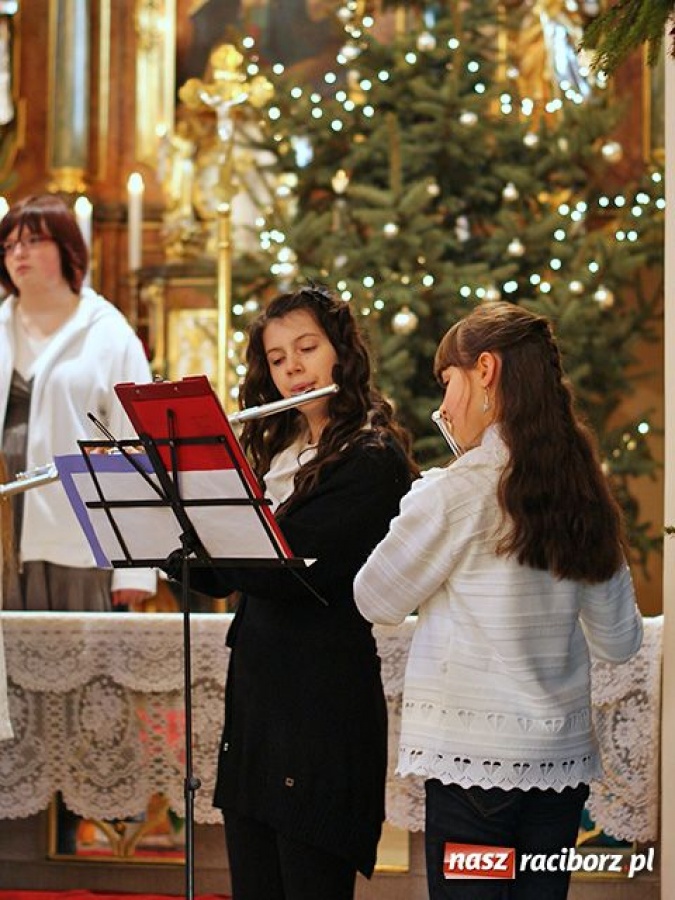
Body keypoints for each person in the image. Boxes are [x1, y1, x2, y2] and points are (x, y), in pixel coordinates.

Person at [354, 301, 643, 900]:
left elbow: (374, 597)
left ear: (484, 370)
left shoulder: (458, 492)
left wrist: (428, 497)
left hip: (473, 778)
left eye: (447, 381)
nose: (444, 403)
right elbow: (620, 641)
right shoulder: (582, 492)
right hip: (558, 774)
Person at [169, 285, 418, 900]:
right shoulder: (276, 454)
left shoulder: (370, 458)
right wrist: (168, 529)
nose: (294, 369)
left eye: (307, 348)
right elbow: (227, 574)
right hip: (257, 703)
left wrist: (210, 528)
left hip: (322, 710)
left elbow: (285, 569)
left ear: (343, 353)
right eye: (278, 359)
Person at [0, 193, 156, 611]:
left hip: (79, 542)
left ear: (67, 248)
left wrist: (135, 566)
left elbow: (137, 444)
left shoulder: (109, 332)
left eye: (32, 241)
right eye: (9, 245)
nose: (19, 253)